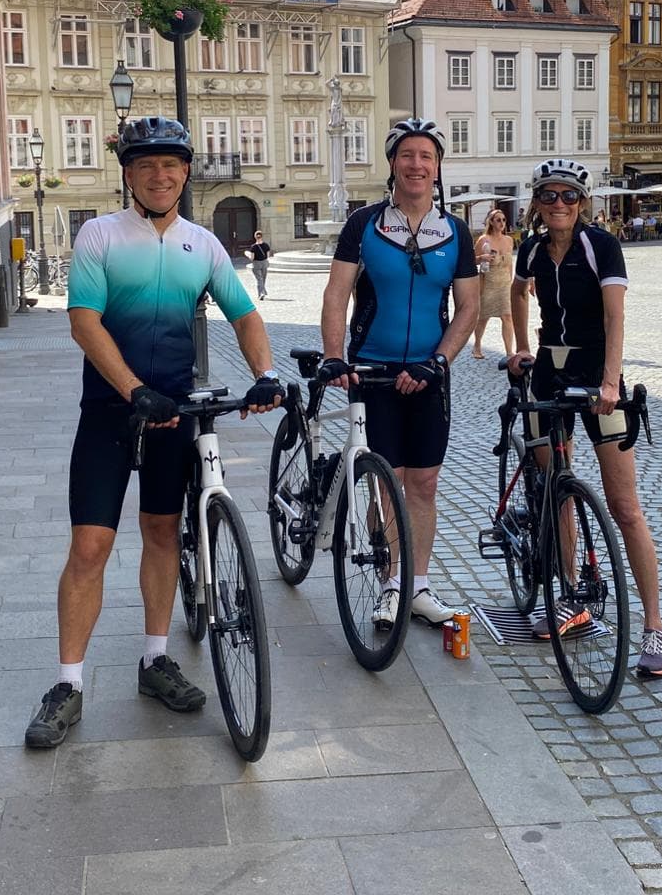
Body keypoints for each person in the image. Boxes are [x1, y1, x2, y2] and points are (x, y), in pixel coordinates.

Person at [24, 117, 284, 748]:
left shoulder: (205, 244)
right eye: (147, 166)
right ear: (129, 175)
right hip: (112, 412)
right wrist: (130, 388)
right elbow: (84, 322)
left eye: (171, 166)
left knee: (163, 532)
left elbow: (245, 315)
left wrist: (267, 373)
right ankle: (68, 684)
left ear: (186, 173)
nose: (161, 176)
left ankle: (155, 658)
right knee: (90, 546)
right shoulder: (100, 235)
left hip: (175, 414)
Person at [506, 159, 662, 678]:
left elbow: (614, 316)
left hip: (596, 376)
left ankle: (656, 628)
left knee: (624, 506)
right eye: (549, 196)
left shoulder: (599, 244)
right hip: (547, 374)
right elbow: (516, 291)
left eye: (569, 196)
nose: (559, 204)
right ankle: (572, 600)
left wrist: (609, 382)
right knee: (553, 487)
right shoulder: (532, 248)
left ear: (583, 202)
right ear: (537, 202)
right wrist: (519, 348)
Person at [320, 118, 481, 630]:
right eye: (407, 155)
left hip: (429, 374)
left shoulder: (455, 231)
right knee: (386, 482)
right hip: (372, 372)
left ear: (437, 168)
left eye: (426, 157)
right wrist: (333, 356)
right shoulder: (364, 224)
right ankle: (392, 582)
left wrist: (438, 363)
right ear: (392, 164)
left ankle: (417, 584)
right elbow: (336, 293)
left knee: (425, 484)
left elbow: (469, 308)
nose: (417, 165)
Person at [472, 208, 517, 359]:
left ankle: (509, 351)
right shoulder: (484, 239)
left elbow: (510, 264)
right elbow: (470, 261)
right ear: (491, 222)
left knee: (508, 316)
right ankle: (477, 345)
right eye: (498, 220)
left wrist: (510, 281)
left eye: (504, 220)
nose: (502, 223)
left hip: (504, 283)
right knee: (483, 317)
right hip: (488, 282)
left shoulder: (509, 240)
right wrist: (481, 258)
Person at [243, 230, 273, 300]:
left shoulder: (253, 247)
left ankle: (261, 293)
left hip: (256, 263)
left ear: (255, 237)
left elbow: (252, 258)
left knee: (259, 279)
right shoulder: (266, 245)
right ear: (262, 236)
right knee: (263, 278)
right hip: (264, 263)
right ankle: (263, 291)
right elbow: (268, 256)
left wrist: (247, 254)